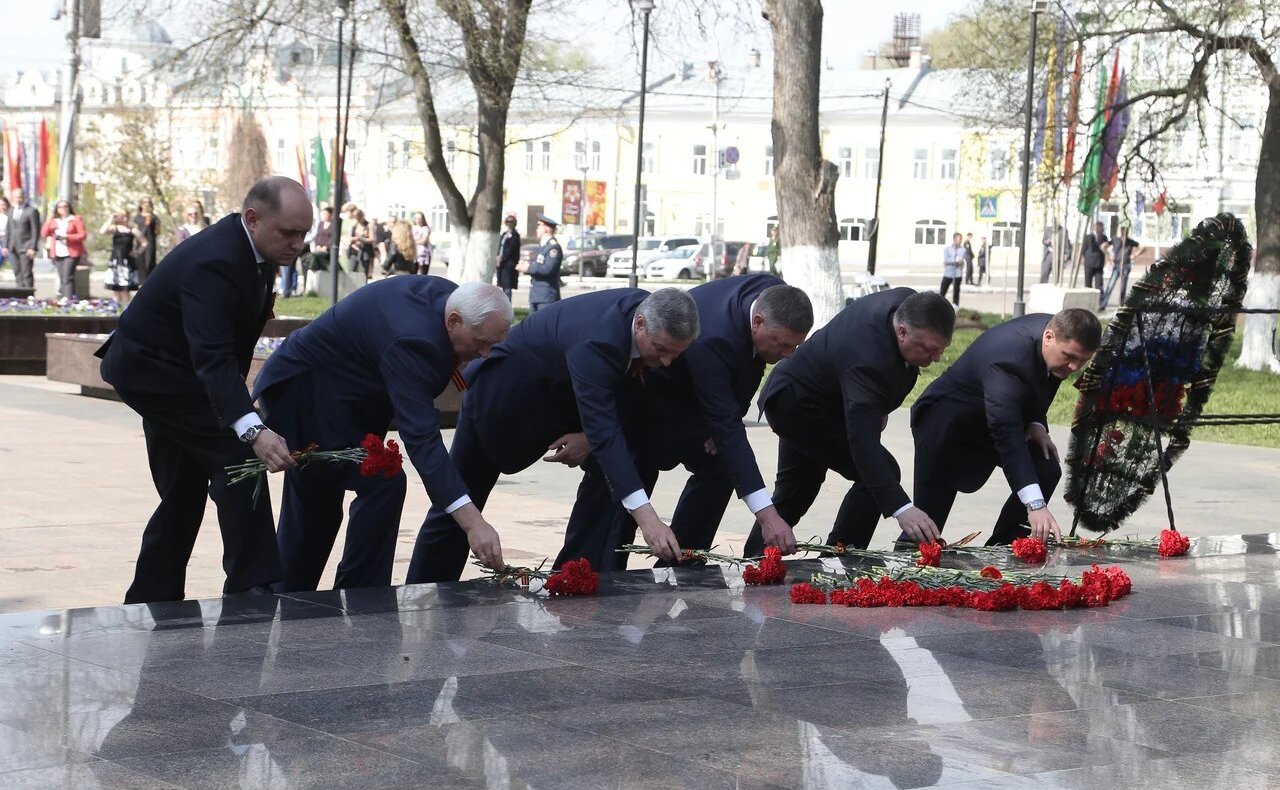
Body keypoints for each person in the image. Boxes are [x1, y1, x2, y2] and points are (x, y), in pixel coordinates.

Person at [95, 176, 313, 603]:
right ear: (253, 219)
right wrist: (252, 428)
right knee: (236, 455)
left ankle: (151, 595)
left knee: (183, 489)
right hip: (154, 375)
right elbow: (212, 357)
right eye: (289, 233)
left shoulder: (257, 250)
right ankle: (254, 586)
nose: (298, 244)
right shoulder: (214, 260)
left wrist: (237, 404)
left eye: (303, 233)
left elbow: (231, 347)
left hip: (178, 373)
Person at [405, 288, 700, 584]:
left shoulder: (652, 313)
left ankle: (577, 577)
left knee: (622, 468)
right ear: (640, 324)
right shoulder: (599, 336)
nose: (666, 363)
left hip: (568, 403)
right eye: (660, 350)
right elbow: (604, 429)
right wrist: (648, 519)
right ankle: (422, 593)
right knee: (459, 507)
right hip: (503, 402)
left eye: (675, 354)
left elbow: (610, 415)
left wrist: (589, 436)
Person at [254, 278, 513, 591]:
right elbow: (421, 438)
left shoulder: (451, 302)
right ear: (454, 320)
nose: (485, 353)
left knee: (321, 505)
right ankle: (359, 596)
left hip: (335, 396)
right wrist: (474, 523)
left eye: (493, 345)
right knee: (380, 480)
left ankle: (291, 592)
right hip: (305, 397)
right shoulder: (415, 339)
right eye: (482, 342)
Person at [561, 275, 813, 570]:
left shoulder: (775, 294)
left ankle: (681, 563)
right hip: (644, 397)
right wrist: (768, 516)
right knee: (624, 482)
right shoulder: (715, 337)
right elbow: (728, 426)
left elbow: (744, 376)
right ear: (757, 322)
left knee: (720, 464)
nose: (788, 355)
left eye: (795, 346)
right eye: (782, 344)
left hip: (695, 402)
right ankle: (587, 573)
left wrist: (720, 429)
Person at [743, 289, 955, 555]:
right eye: (928, 349)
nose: (935, 358)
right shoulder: (868, 359)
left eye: (940, 350)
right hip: (797, 405)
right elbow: (862, 443)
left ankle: (755, 560)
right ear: (902, 332)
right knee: (879, 472)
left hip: (813, 393)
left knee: (796, 489)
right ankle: (841, 559)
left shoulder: (910, 305)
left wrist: (879, 404)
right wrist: (902, 508)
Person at [910, 308, 1101, 547]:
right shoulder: (1007, 361)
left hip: (999, 418)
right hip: (947, 427)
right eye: (1070, 357)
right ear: (1049, 337)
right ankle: (900, 573)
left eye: (1083, 361)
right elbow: (1007, 435)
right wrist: (1035, 505)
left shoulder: (1056, 335)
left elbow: (1041, 382)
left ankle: (1005, 548)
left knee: (1045, 467)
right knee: (926, 525)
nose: (1074, 367)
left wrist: (1035, 423)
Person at [41, 199, 87, 299]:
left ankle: (68, 299)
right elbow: (44, 233)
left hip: (71, 252)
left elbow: (82, 235)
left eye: (65, 206)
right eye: (60, 207)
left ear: (69, 207)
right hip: (57, 252)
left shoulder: (75, 219)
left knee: (68, 277)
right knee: (62, 277)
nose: (63, 209)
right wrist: (48, 220)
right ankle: (67, 297)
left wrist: (67, 237)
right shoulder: (54, 221)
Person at [516, 213, 562, 311]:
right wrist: (527, 265)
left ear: (546, 228)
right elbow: (538, 264)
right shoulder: (543, 246)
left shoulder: (553, 247)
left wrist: (528, 268)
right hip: (537, 295)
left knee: (544, 325)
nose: (537, 229)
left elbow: (548, 269)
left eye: (539, 226)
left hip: (546, 296)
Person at [101, 210, 146, 305]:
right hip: (116, 260)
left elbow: (144, 242)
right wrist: (111, 218)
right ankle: (115, 307)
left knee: (125, 288)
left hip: (127, 260)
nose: (124, 218)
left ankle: (126, 307)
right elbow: (102, 231)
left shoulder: (132, 230)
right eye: (121, 216)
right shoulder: (114, 228)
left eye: (125, 216)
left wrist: (137, 252)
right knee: (115, 287)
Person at [1099, 225, 1143, 309]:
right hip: (1117, 265)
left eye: (1126, 232)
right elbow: (1103, 246)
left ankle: (1121, 304)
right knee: (1110, 285)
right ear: (1121, 232)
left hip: (1126, 265)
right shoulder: (1116, 240)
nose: (1124, 234)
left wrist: (1135, 255)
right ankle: (1103, 304)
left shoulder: (1130, 241)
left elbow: (1142, 248)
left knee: (1123, 287)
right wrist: (1109, 255)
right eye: (1123, 232)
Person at [6, 188, 41, 289]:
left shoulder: (31, 211)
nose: (18, 199)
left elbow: (35, 230)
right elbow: (9, 229)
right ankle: (19, 295)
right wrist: (5, 246)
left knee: (26, 273)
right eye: (16, 197)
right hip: (12, 247)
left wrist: (33, 247)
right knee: (17, 272)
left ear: (24, 197)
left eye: (20, 197)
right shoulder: (11, 210)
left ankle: (28, 296)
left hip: (26, 247)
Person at [133, 196, 160, 283]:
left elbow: (157, 232)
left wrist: (155, 224)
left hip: (150, 242)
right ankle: (140, 283)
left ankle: (149, 282)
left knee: (149, 262)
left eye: (149, 202)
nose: (147, 204)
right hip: (139, 243)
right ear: (141, 204)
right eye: (145, 202)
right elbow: (134, 230)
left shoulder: (154, 217)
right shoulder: (137, 217)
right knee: (140, 262)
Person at [496, 212, 520, 301]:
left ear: (514, 223)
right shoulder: (504, 234)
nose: (509, 224)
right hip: (501, 263)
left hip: (508, 264)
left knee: (507, 287)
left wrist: (502, 259)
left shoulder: (515, 235)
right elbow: (500, 247)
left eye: (511, 222)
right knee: (502, 286)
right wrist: (498, 256)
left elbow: (510, 249)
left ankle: (507, 306)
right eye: (508, 222)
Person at [1081, 221, 1109, 292]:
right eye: (1100, 228)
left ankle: (1099, 300)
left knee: (1099, 284)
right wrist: (1085, 259)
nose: (1102, 229)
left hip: (1099, 264)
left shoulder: (1104, 237)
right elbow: (1084, 249)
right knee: (1088, 283)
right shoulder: (1088, 237)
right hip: (1089, 264)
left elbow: (1105, 249)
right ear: (1096, 228)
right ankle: (1088, 298)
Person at [940, 232, 963, 306]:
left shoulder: (963, 250)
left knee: (956, 292)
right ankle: (940, 306)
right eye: (958, 239)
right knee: (943, 291)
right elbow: (946, 261)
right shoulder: (947, 249)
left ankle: (955, 307)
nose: (960, 241)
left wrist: (954, 261)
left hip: (957, 274)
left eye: (960, 239)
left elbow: (961, 260)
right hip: (948, 273)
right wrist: (955, 260)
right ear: (954, 239)